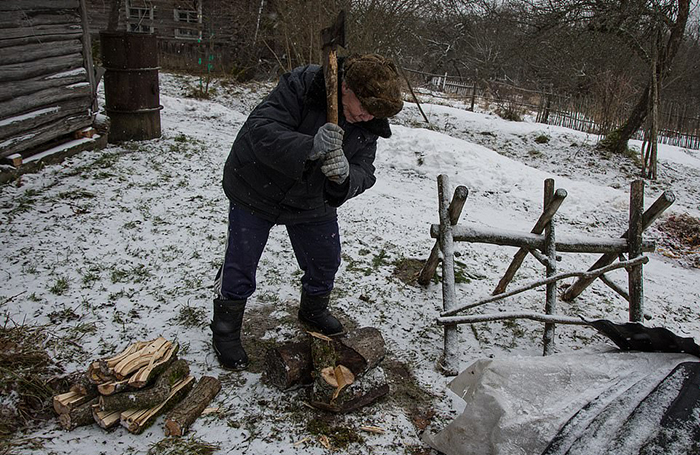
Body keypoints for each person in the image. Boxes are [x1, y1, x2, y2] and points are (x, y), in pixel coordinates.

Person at [211, 54, 404, 370]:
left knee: (325, 259)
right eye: (364, 108)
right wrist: (309, 146)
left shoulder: (370, 121)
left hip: (312, 199)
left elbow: (365, 169)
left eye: (375, 114)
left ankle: (313, 310)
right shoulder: (303, 84)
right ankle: (225, 330)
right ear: (345, 87)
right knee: (241, 262)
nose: (368, 117)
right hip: (255, 185)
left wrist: (346, 176)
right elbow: (260, 130)